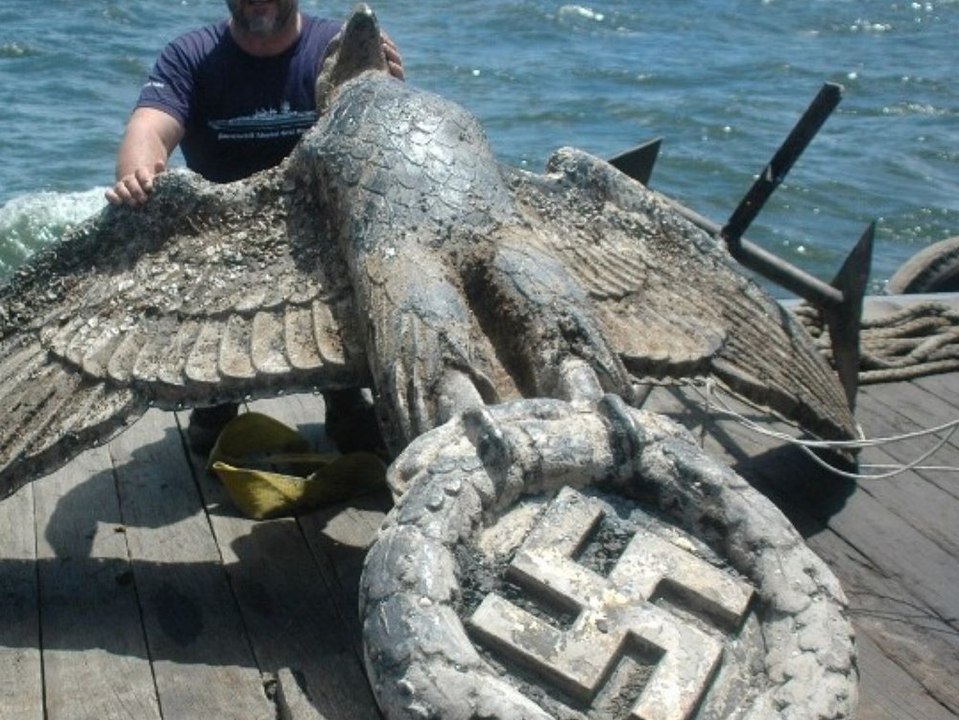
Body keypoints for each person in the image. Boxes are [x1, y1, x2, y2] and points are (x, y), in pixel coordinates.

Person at [107, 0, 404, 453]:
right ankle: (216, 399)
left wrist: (392, 94)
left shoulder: (334, 47)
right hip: (224, 239)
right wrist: (137, 175)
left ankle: (346, 399)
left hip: (319, 235)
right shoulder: (191, 54)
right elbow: (149, 126)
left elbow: (382, 142)